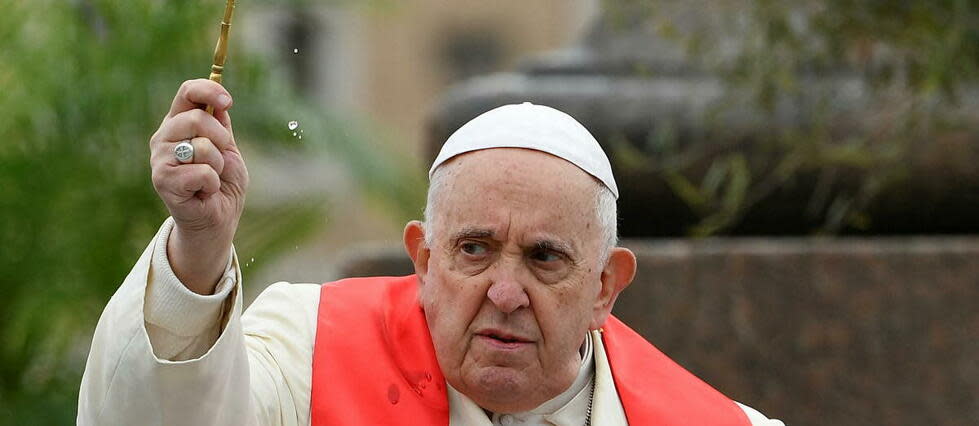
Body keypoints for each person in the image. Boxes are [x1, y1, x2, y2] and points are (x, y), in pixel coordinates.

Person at [78, 79, 785, 425]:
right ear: (421, 258)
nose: (505, 293)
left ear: (605, 286)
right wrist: (199, 248)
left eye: (544, 258)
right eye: (473, 249)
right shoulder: (305, 351)